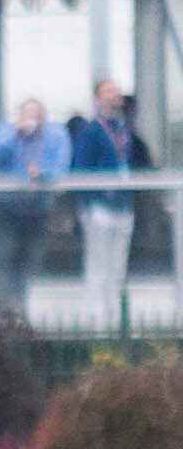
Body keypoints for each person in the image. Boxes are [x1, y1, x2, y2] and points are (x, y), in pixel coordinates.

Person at [68, 77, 155, 299]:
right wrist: (89, 202)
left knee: (118, 266)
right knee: (99, 265)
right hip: (99, 206)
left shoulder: (123, 130)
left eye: (116, 91)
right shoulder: (91, 131)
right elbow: (80, 170)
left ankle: (115, 318)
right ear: (98, 98)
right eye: (108, 91)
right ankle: (98, 321)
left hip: (122, 205)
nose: (114, 95)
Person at [0, 96, 69, 300]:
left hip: (37, 209)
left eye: (37, 115)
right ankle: (3, 311)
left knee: (30, 261)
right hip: (5, 208)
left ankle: (21, 308)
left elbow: (60, 169)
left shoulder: (56, 137)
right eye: (27, 115)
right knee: (3, 258)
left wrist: (40, 176)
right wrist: (14, 135)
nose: (32, 120)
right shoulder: (4, 132)